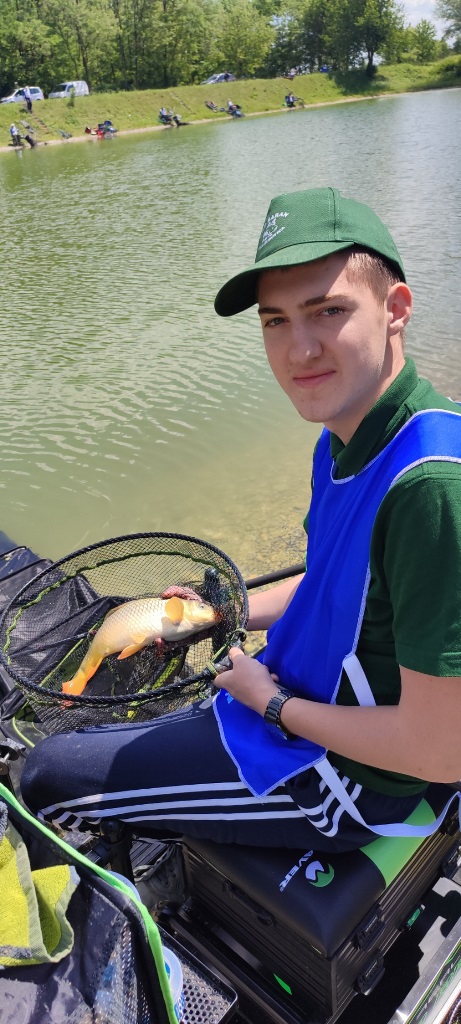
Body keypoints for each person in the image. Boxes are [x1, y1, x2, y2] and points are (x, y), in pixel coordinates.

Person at [21, 188, 461, 882]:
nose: (299, 349)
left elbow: (438, 751)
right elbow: (335, 581)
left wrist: (273, 704)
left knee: (46, 776)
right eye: (276, 321)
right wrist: (226, 612)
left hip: (346, 781)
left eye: (328, 311)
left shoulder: (430, 489)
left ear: (396, 308)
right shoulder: (347, 435)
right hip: (299, 708)